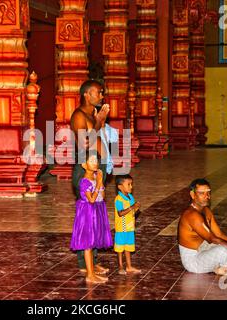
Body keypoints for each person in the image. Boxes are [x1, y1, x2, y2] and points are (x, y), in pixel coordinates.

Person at [70, 79, 111, 275]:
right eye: (98, 92)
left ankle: (92, 261)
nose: (101, 96)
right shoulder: (78, 116)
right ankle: (83, 265)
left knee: (96, 216)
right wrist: (99, 121)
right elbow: (85, 143)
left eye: (102, 92)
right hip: (85, 169)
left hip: (97, 166)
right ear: (86, 94)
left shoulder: (92, 114)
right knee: (87, 216)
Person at [69, 153, 113, 283]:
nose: (95, 163)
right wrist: (99, 183)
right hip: (87, 212)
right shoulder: (84, 181)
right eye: (91, 160)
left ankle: (92, 271)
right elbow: (92, 199)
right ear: (84, 165)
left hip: (96, 212)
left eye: (96, 160)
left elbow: (102, 196)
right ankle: (89, 275)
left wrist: (100, 182)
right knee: (88, 244)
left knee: (93, 241)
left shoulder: (95, 177)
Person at [114, 174, 141, 275]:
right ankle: (120, 266)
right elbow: (120, 213)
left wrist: (137, 207)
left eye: (131, 184)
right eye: (128, 184)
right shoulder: (118, 199)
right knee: (120, 248)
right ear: (120, 187)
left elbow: (133, 211)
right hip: (122, 228)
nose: (131, 186)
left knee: (128, 247)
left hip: (130, 228)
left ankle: (129, 266)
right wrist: (132, 207)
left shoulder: (130, 197)